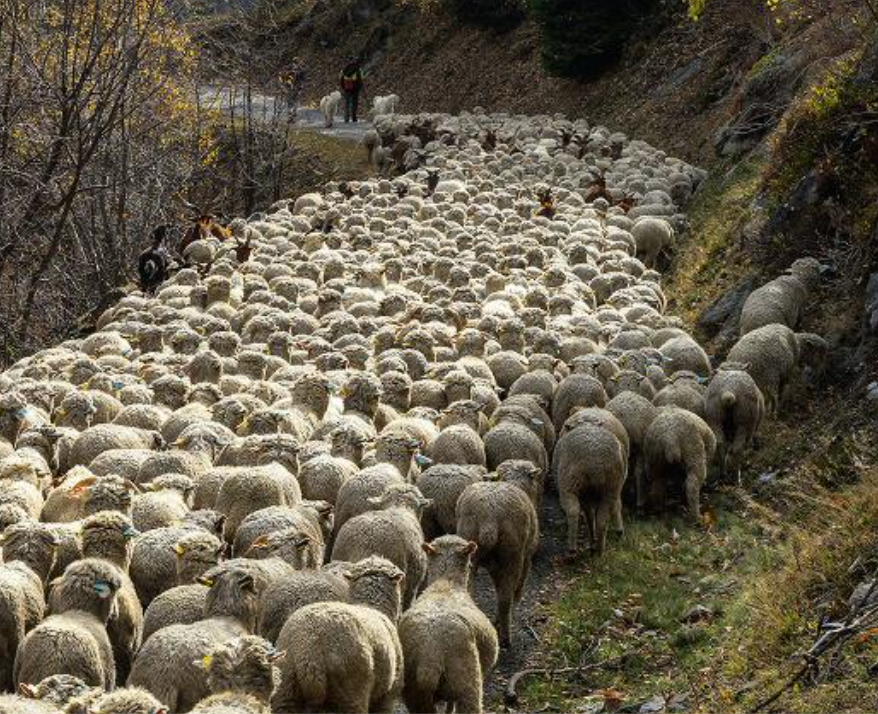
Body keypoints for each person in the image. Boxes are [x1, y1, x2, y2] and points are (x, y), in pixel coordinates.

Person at [138, 225, 171, 293]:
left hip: (145, 285)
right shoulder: (163, 251)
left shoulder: (144, 253)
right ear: (163, 236)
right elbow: (168, 268)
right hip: (159, 287)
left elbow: (140, 270)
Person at [339, 56, 364, 123]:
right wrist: (360, 87)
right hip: (355, 89)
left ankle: (346, 118)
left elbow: (341, 79)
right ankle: (354, 118)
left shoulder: (344, 69)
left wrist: (343, 87)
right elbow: (361, 79)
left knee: (347, 103)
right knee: (354, 103)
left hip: (347, 89)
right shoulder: (358, 69)